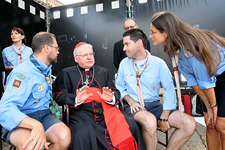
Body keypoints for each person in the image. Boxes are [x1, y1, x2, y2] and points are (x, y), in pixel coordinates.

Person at [149, 11, 225, 150]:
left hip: (221, 77)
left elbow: (205, 81)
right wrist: (208, 107)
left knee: (221, 124)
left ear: (165, 32)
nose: (150, 36)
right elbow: (193, 81)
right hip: (207, 82)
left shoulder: (190, 46)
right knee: (210, 123)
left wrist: (213, 106)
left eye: (153, 32)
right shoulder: (173, 49)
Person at [53, 42, 145, 150]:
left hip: (106, 109)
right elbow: (58, 95)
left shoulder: (103, 71)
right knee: (81, 134)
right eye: (85, 55)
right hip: (81, 112)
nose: (89, 58)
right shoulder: (66, 73)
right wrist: (76, 99)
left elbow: (115, 91)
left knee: (130, 124)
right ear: (76, 58)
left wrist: (111, 98)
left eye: (91, 54)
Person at [115, 29, 196, 150]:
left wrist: (164, 116)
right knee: (150, 121)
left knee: (189, 124)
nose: (124, 49)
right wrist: (131, 102)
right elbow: (119, 87)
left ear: (139, 43)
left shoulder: (158, 63)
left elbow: (169, 89)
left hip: (155, 106)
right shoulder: (124, 64)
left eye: (127, 44)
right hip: (133, 106)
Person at [0, 32, 71, 150]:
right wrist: (34, 124)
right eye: (56, 48)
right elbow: (5, 108)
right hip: (21, 119)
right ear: (47, 48)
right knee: (32, 145)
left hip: (43, 115)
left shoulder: (45, 67)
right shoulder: (22, 73)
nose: (58, 51)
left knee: (64, 137)